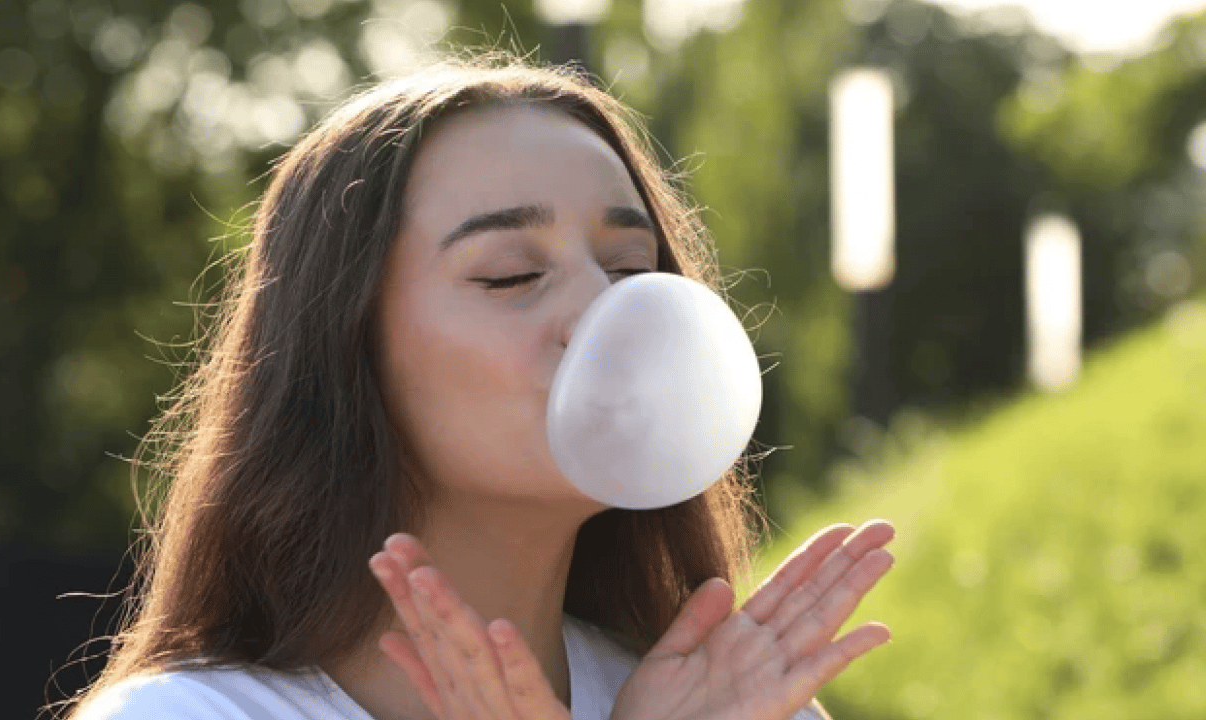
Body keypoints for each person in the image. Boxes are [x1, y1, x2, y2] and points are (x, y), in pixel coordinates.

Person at [64, 55, 895, 720]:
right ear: (347, 346)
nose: (602, 311)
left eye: (629, 268)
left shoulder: (739, 706)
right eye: (511, 274)